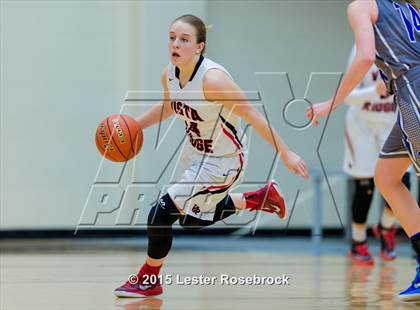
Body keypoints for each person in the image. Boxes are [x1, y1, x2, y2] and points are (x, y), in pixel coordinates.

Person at [115, 14, 308, 298]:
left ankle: (149, 278)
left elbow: (254, 116)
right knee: (191, 221)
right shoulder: (169, 73)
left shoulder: (214, 80)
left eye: (184, 39)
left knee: (160, 214)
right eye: (172, 37)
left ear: (199, 47)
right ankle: (259, 198)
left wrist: (286, 152)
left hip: (225, 160)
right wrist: (135, 126)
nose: (175, 44)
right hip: (196, 154)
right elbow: (171, 105)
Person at [307, 0, 419, 302]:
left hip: (413, 93)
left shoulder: (361, 6)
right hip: (401, 100)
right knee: (386, 177)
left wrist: (330, 103)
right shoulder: (407, 9)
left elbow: (365, 57)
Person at [343, 46, 411, 265]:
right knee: (366, 186)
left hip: (391, 123)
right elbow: (346, 97)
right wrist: (374, 91)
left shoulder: (406, 47)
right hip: (361, 124)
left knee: (402, 182)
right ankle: (358, 241)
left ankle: (386, 227)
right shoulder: (361, 50)